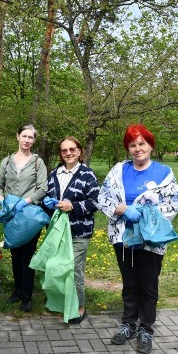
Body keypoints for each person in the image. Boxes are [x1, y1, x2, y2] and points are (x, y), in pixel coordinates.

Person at [97, 124, 178, 354]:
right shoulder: (118, 171)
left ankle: (146, 329)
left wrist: (143, 214)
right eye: (132, 145)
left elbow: (173, 203)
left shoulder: (164, 173)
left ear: (151, 146)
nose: (137, 149)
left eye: (142, 144)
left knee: (148, 284)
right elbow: (102, 198)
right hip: (123, 236)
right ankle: (128, 325)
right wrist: (122, 209)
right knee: (130, 283)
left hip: (151, 238)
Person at [44, 136, 100, 324]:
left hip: (79, 231)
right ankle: (63, 303)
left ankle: (79, 306)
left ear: (79, 151)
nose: (68, 153)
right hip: (58, 231)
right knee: (57, 267)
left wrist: (73, 206)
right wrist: (48, 203)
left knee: (74, 269)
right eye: (64, 150)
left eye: (72, 149)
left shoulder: (87, 174)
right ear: (60, 154)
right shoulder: (54, 174)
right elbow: (49, 197)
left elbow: (96, 202)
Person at [0, 124, 48, 312]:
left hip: (30, 216)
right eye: (24, 136)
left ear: (34, 140)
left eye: (30, 137)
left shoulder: (37, 162)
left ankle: (27, 295)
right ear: (17, 136)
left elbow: (43, 188)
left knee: (27, 254)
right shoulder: (6, 161)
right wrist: (3, 202)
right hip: (11, 215)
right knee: (15, 253)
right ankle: (17, 290)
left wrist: (25, 202)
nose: (26, 140)